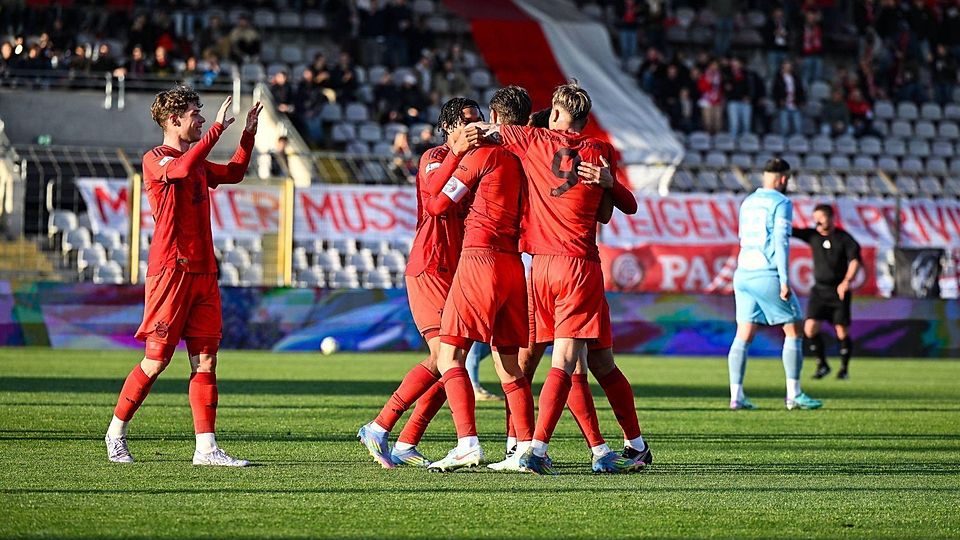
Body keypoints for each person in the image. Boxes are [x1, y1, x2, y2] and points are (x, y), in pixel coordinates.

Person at [465, 82, 641, 474]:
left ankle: (534, 447)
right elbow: (616, 211)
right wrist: (607, 184)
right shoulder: (600, 152)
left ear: (557, 113)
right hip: (576, 266)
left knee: (560, 361)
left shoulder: (531, 140)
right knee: (580, 362)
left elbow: (487, 130)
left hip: (544, 267)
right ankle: (560, 448)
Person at [104, 85, 262, 466]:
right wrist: (219, 131)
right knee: (156, 361)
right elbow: (184, 167)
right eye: (196, 114)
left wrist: (248, 134)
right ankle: (115, 433)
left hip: (204, 270)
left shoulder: (196, 160)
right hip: (170, 270)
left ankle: (206, 449)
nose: (203, 119)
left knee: (206, 361)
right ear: (174, 120)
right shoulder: (156, 158)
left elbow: (236, 172)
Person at [356, 98, 480, 469]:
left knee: (446, 362)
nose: (476, 126)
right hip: (429, 265)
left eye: (479, 120)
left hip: (460, 268)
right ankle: (379, 427)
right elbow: (433, 194)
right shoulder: (435, 157)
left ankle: (405, 440)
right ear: (450, 126)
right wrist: (457, 153)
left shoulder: (477, 159)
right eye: (469, 121)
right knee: (449, 359)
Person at [423, 86, 535, 472]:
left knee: (450, 355)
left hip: (479, 258)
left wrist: (456, 153)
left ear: (497, 120)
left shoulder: (486, 154)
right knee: (509, 366)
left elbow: (436, 203)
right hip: (513, 265)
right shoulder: (532, 156)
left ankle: (467, 443)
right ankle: (526, 449)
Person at [727, 158, 822, 411]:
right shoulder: (782, 203)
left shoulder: (748, 202)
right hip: (766, 272)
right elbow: (781, 241)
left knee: (743, 334)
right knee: (794, 330)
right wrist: (784, 279)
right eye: (787, 179)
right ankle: (794, 394)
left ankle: (736, 396)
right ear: (782, 178)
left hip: (744, 271)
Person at [793, 204, 861, 380]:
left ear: (831, 218)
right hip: (819, 291)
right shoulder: (813, 236)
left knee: (841, 331)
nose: (818, 221)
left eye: (821, 217)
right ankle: (822, 365)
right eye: (816, 217)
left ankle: (844, 369)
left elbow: (854, 260)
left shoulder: (843, 238)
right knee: (810, 328)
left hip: (838, 290)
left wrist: (846, 282)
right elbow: (792, 231)